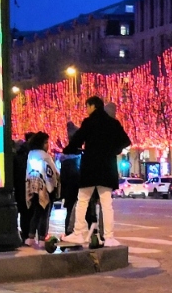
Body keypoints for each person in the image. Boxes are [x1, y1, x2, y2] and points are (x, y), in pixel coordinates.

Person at [58, 96, 130, 249]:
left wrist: (69, 150)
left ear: (92, 106)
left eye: (87, 106)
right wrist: (114, 150)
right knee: (106, 203)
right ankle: (109, 236)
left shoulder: (88, 122)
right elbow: (125, 141)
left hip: (90, 167)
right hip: (107, 167)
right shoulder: (113, 123)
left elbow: (77, 140)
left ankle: (79, 232)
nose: (86, 109)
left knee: (83, 200)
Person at [23, 132, 58, 249]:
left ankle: (30, 237)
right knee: (44, 214)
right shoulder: (45, 156)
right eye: (46, 142)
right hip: (45, 188)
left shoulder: (31, 155)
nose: (48, 145)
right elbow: (53, 173)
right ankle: (42, 238)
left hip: (33, 187)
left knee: (36, 213)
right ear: (42, 144)